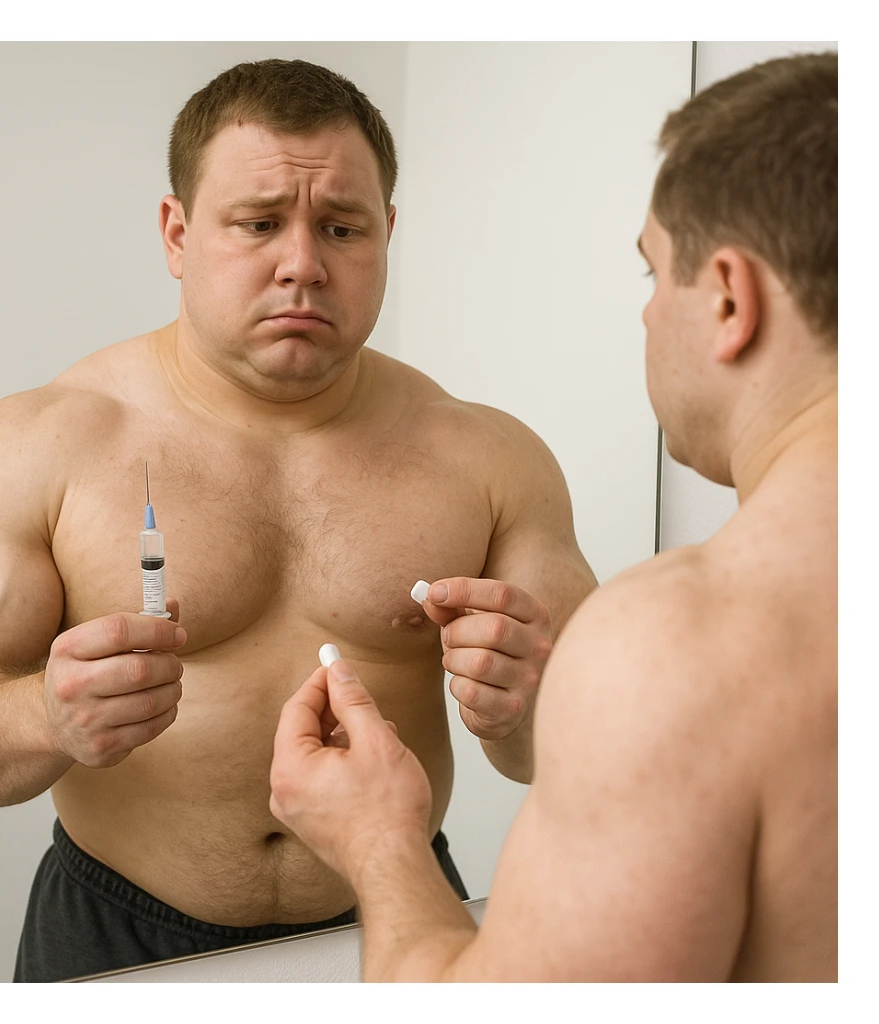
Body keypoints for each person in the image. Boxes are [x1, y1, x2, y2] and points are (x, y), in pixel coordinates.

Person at [0, 58, 597, 982]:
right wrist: (43, 716)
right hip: (115, 930)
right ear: (177, 233)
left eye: (342, 227)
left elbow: (567, 750)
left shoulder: (492, 459)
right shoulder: (38, 447)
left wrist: (525, 708)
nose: (303, 263)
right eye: (259, 224)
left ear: (388, 233)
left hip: (398, 908)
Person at [270, 51, 838, 982]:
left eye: (654, 272)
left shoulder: (684, 642)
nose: (650, 315)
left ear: (730, 297)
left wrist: (378, 841)